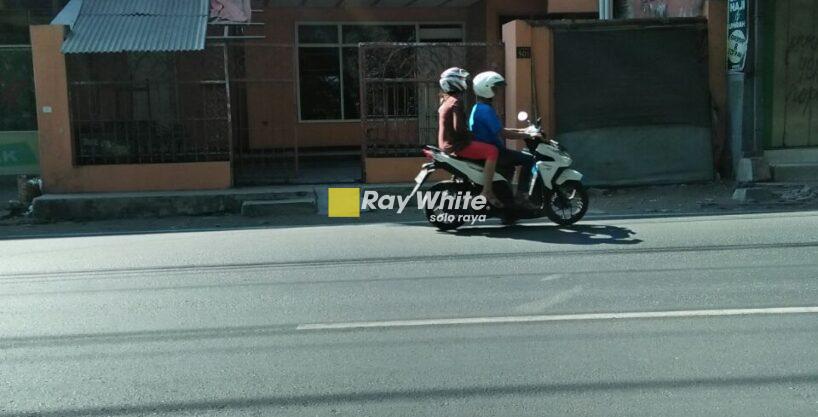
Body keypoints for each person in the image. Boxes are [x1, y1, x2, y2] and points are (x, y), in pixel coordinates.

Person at [469, 71, 538, 209]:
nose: (497, 91)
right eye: (495, 88)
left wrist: (523, 130)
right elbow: (503, 133)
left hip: (490, 148)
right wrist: (527, 135)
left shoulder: (479, 108)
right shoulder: (485, 110)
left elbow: (499, 129)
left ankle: (505, 195)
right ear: (486, 88)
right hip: (495, 150)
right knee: (528, 159)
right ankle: (521, 196)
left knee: (511, 166)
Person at [437, 67, 503, 207]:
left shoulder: (446, 100)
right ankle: (487, 191)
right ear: (455, 82)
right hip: (457, 145)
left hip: (447, 144)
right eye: (462, 79)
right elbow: (459, 128)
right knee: (492, 151)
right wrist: (471, 136)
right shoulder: (456, 101)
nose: (464, 82)